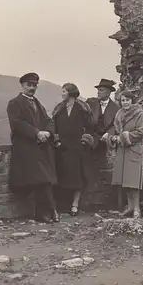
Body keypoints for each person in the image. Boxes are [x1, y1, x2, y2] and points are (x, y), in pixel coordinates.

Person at [6, 72, 59, 223]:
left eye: (34, 85)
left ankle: (47, 212)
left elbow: (48, 120)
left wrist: (48, 132)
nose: (32, 88)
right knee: (40, 179)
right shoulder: (14, 103)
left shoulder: (38, 104)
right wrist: (36, 133)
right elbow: (17, 124)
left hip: (40, 148)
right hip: (25, 149)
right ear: (22, 85)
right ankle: (48, 211)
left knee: (44, 179)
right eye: (29, 85)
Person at [52, 83, 95, 216]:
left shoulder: (83, 108)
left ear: (70, 93)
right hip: (63, 149)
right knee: (63, 176)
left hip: (78, 148)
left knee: (77, 177)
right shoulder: (59, 109)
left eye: (64, 91)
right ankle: (63, 205)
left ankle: (74, 205)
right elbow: (54, 128)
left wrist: (84, 141)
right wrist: (57, 141)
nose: (62, 94)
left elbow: (90, 127)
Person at [108, 90, 143, 219]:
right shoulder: (119, 115)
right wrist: (114, 138)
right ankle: (130, 207)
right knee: (125, 180)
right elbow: (116, 131)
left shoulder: (139, 114)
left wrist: (124, 137)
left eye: (127, 100)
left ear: (132, 101)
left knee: (133, 180)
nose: (125, 102)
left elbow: (140, 132)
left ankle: (137, 208)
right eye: (123, 100)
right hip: (122, 151)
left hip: (134, 149)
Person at [86, 79, 120, 152]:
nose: (98, 92)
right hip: (89, 139)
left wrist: (109, 133)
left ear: (108, 93)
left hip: (104, 142)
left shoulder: (116, 108)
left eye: (101, 90)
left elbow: (116, 124)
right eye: (98, 90)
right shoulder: (91, 102)